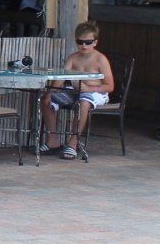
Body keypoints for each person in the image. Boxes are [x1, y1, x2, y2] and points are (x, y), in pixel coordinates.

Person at [40, 22, 116, 159]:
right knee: (46, 100)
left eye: (88, 42)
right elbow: (61, 78)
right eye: (80, 42)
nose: (84, 45)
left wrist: (90, 88)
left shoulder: (100, 59)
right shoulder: (73, 58)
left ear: (95, 42)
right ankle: (53, 140)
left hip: (96, 92)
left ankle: (73, 143)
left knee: (84, 103)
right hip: (74, 90)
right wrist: (49, 93)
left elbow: (109, 86)